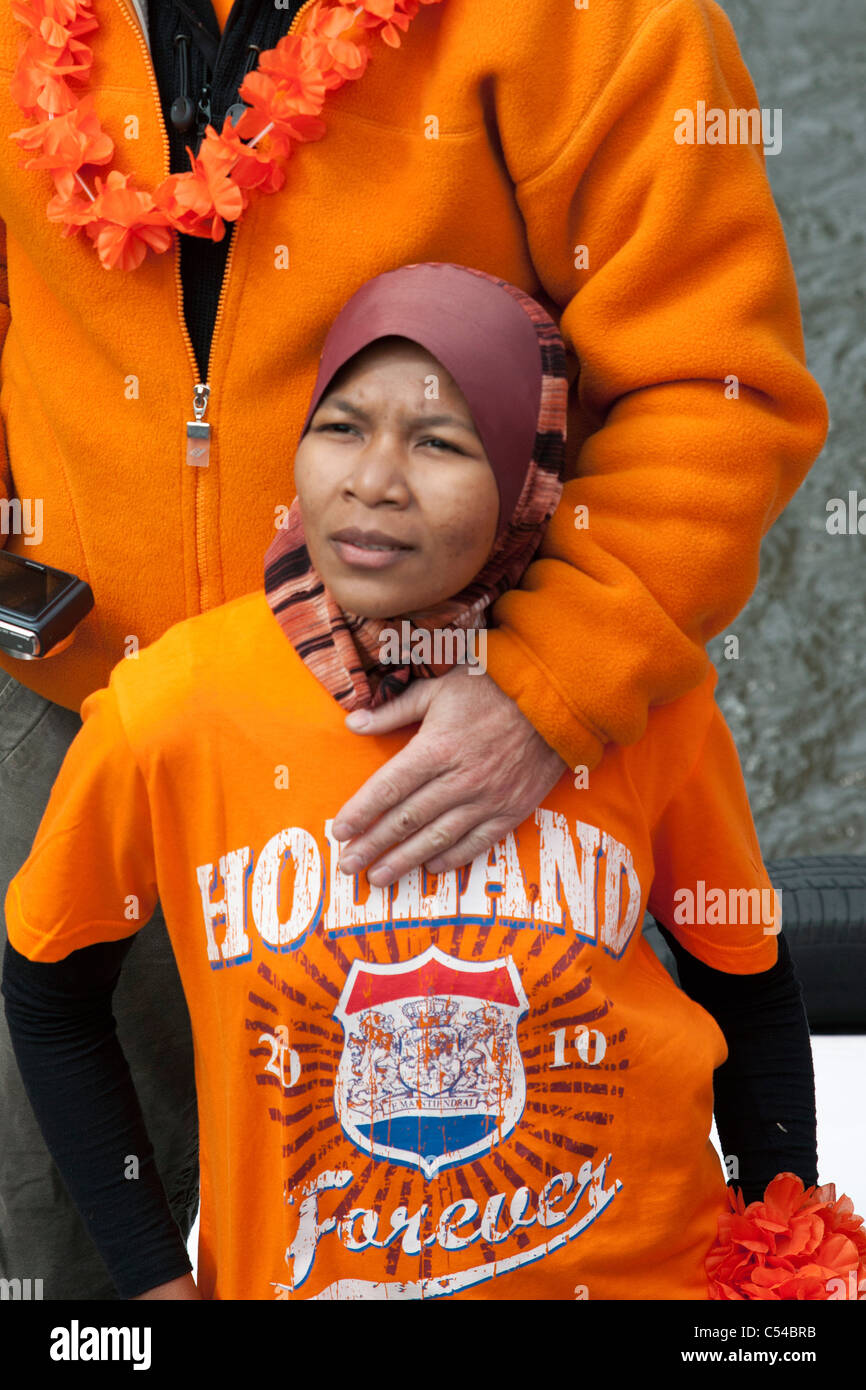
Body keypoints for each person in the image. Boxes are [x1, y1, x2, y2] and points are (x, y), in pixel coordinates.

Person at [0, 0, 829, 1299]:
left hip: (465, 738)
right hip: (68, 714)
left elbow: (717, 385)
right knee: (63, 1248)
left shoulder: (601, 19)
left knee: (477, 1229)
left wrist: (544, 682)